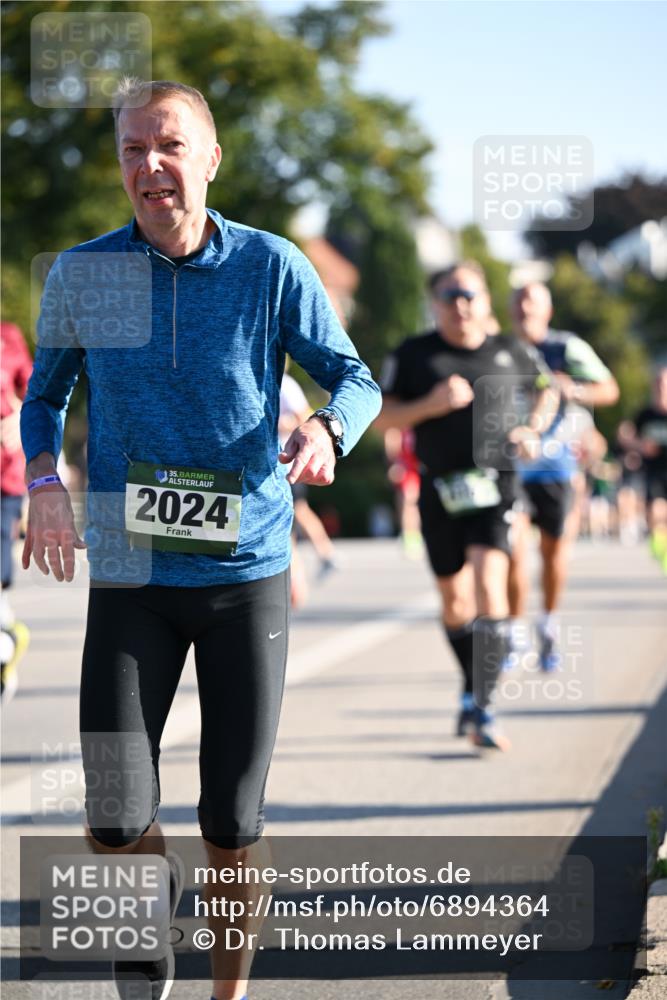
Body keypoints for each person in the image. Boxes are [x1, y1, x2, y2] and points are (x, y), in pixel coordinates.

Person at [20, 77, 380, 1000]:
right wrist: (46, 480)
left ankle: (228, 993)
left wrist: (326, 429)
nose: (151, 166)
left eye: (169, 146)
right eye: (134, 149)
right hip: (132, 572)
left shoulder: (270, 267)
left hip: (243, 576)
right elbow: (45, 396)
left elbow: (352, 375)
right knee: (112, 813)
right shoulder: (88, 274)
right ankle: (148, 940)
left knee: (230, 813)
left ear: (210, 160)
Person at [376, 261, 556, 751]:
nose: (460, 304)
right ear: (434, 304)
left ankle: (484, 706)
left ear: (485, 302)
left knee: (487, 582)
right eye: (449, 295)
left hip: (496, 484)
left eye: (469, 295)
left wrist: (532, 429)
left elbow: (548, 390)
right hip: (440, 489)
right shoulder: (414, 355)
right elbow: (380, 418)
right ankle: (473, 686)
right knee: (455, 604)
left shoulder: (508, 349)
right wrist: (429, 405)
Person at [507, 283, 619, 670]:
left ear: (547, 310)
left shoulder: (566, 347)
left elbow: (609, 389)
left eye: (532, 301)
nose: (524, 308)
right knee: (513, 550)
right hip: (512, 467)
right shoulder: (500, 348)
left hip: (556, 465)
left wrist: (574, 388)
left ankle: (549, 625)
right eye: (518, 300)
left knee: (553, 555)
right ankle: (515, 634)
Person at [279, 369, 339, 604]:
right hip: (275, 466)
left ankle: (321, 558)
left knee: (296, 516)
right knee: (296, 517)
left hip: (287, 465)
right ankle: (321, 558)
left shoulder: (286, 384)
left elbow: (305, 416)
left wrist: (284, 423)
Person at [1, 321, 33, 703]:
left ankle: (5, 641)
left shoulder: (8, 338)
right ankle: (6, 633)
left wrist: (20, 415)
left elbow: (42, 396)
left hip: (2, 479)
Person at [618, 367, 667, 571]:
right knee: (656, 510)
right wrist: (640, 447)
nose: (661, 388)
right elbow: (626, 437)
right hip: (654, 470)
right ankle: (660, 547)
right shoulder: (645, 414)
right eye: (659, 384)